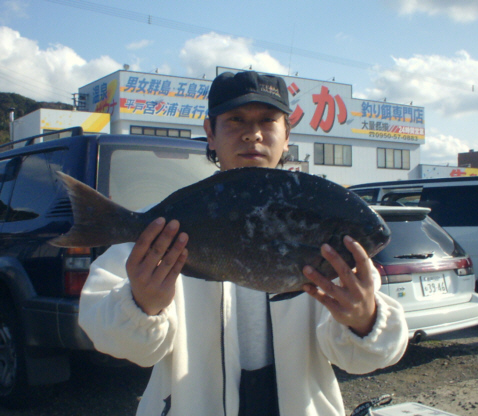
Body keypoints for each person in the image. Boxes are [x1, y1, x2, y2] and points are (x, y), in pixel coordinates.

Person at [79, 70, 408, 416]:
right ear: (210, 133)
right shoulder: (159, 229)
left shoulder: (329, 226)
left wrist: (364, 319)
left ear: (287, 135)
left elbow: (364, 359)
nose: (253, 134)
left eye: (267, 120)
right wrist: (141, 304)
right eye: (235, 120)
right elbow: (107, 334)